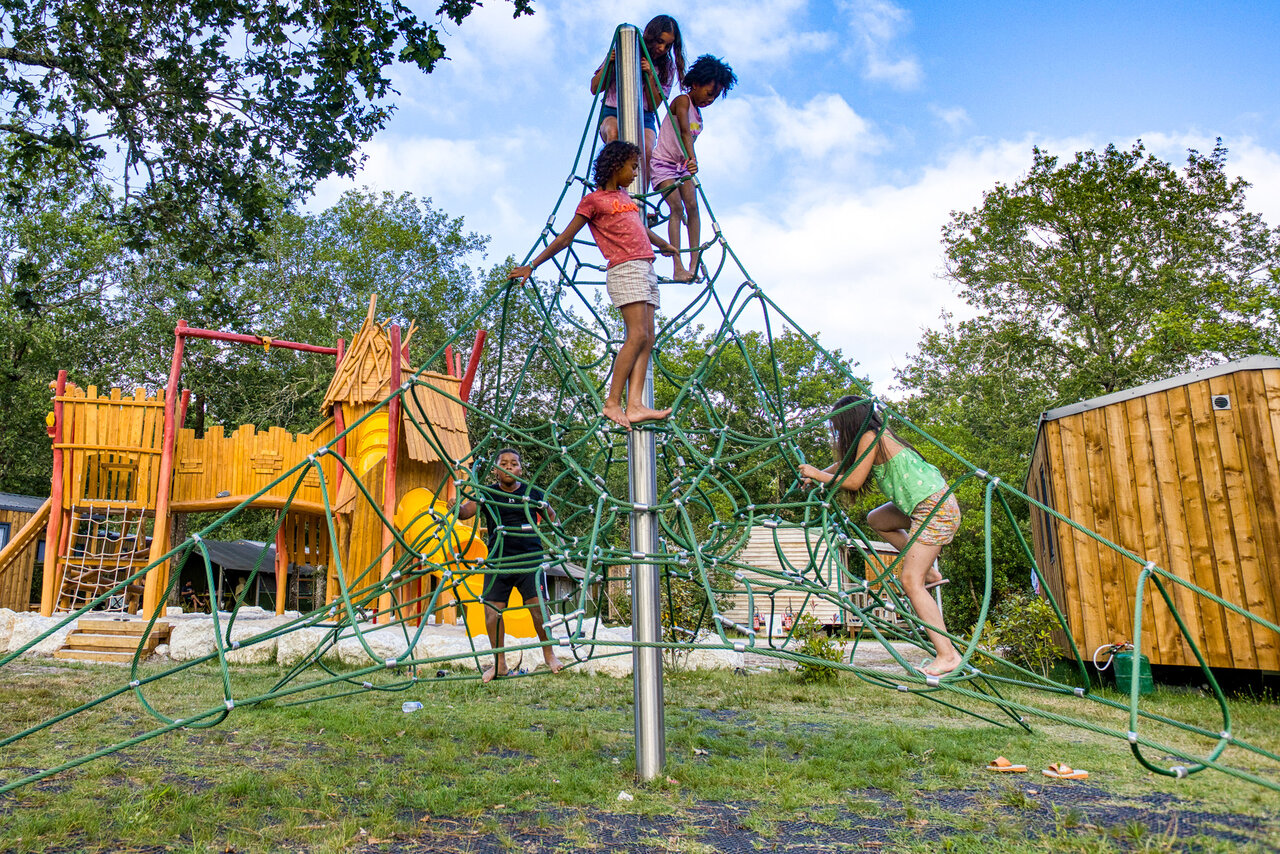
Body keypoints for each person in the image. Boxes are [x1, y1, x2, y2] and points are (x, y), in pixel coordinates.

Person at [510, 141, 677, 430]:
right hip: (625, 268)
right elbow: (565, 238)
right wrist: (532, 265)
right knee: (637, 334)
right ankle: (612, 402)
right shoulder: (593, 201)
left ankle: (635, 405)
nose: (635, 173)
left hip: (646, 266)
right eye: (632, 167)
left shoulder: (624, 196)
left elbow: (639, 227)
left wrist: (662, 244)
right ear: (616, 166)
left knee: (648, 337)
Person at [798, 396, 964, 677]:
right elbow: (846, 466)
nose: (837, 434)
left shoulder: (871, 436)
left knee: (910, 581)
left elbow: (853, 481)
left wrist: (816, 473)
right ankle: (930, 573)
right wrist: (817, 475)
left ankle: (948, 655)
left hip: (935, 509)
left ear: (850, 422)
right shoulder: (874, 435)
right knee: (878, 519)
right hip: (925, 506)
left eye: (838, 427)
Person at [456, 448, 563, 684]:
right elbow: (465, 512)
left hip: (529, 559)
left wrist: (547, 511)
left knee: (539, 609)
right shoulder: (488, 493)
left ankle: (549, 655)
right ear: (495, 470)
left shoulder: (532, 492)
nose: (509, 467)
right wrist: (455, 506)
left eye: (514, 464)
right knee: (491, 613)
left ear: (520, 469)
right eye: (503, 464)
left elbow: (552, 518)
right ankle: (500, 664)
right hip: (499, 560)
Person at [650, 54, 736, 282]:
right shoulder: (682, 101)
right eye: (709, 93)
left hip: (682, 165)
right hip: (664, 163)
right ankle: (677, 266)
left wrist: (689, 161)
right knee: (677, 208)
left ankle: (694, 262)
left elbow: (691, 136)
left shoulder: (699, 113)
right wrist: (693, 158)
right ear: (695, 84)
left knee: (693, 208)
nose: (710, 99)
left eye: (715, 96)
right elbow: (685, 133)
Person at [590, 14, 685, 188]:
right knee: (614, 134)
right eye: (660, 41)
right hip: (613, 110)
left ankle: (640, 197)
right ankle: (609, 189)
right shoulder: (626, 50)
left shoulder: (667, 67)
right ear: (651, 36)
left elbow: (654, 105)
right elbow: (595, 88)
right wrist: (609, 64)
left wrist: (651, 76)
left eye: (668, 45)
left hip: (644, 115)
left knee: (646, 148)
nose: (662, 48)